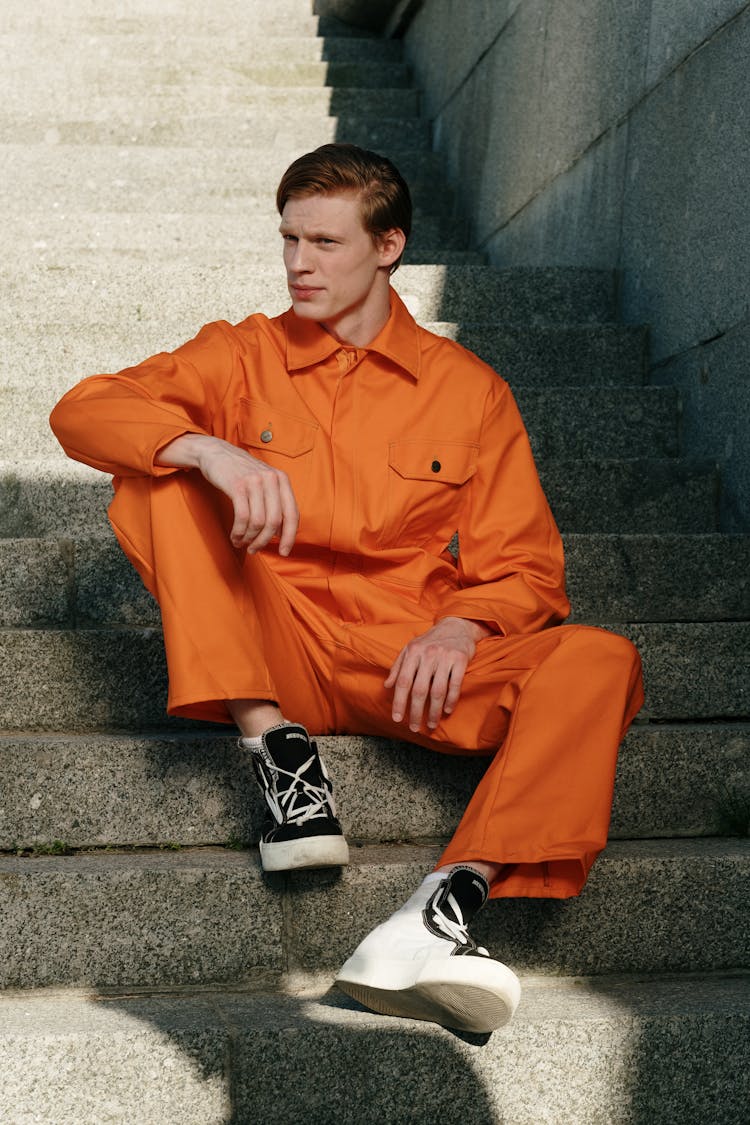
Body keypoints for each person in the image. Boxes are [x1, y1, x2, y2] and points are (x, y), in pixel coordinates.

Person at [50, 143, 644, 1034]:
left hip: (407, 660)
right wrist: (210, 449)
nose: (298, 262)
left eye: (324, 242)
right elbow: (84, 409)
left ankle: (441, 909)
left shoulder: (468, 391)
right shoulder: (240, 352)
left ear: (389, 245)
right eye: (289, 238)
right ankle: (281, 758)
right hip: (271, 642)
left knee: (601, 659)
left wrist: (463, 626)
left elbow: (525, 566)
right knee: (158, 471)